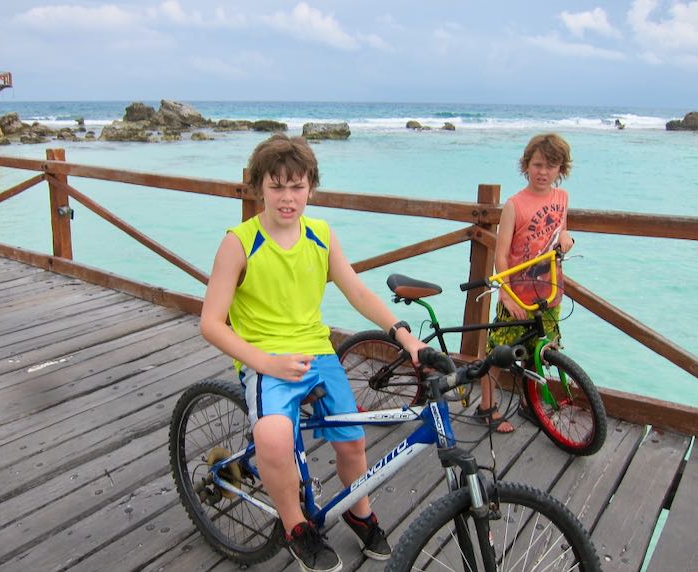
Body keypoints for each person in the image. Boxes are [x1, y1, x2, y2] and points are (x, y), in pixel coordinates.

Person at [200, 133, 426, 572]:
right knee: (273, 438)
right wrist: (264, 363)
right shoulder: (240, 241)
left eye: (297, 186)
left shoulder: (320, 234)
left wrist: (403, 334)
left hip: (318, 354)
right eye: (276, 186)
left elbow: (357, 291)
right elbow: (210, 322)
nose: (287, 198)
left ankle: (360, 513)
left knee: (354, 441)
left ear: (311, 188)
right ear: (258, 187)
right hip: (266, 359)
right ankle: (295, 526)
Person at [478, 133, 575, 433]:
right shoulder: (514, 204)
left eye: (551, 165)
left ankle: (529, 404)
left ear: (561, 169)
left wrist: (567, 240)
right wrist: (506, 296)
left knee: (540, 350)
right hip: (516, 295)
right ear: (526, 166)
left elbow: (562, 232)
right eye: (537, 164)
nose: (543, 172)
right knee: (498, 354)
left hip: (549, 293)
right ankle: (486, 408)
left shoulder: (562, 198)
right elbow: (501, 255)